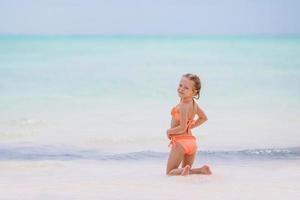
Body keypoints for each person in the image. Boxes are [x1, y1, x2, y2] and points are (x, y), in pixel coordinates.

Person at [166, 73, 212, 176]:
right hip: (191, 142)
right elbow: (203, 118)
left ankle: (193, 170)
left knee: (170, 172)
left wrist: (169, 131)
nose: (181, 89)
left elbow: (182, 128)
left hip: (180, 142)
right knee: (186, 171)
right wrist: (190, 126)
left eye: (186, 88)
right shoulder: (194, 104)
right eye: (180, 85)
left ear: (194, 92)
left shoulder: (183, 105)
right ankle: (200, 170)